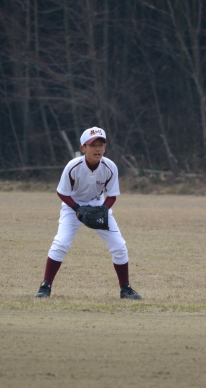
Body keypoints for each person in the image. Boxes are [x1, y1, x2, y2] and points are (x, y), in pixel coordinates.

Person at [34, 126, 142, 300]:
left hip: (98, 204)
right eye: (93, 145)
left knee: (119, 246)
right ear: (83, 148)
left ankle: (126, 289)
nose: (97, 149)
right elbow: (62, 192)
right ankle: (45, 286)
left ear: (105, 147)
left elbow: (112, 195)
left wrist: (104, 209)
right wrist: (77, 209)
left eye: (101, 144)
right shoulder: (73, 166)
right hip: (72, 206)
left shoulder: (110, 167)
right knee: (60, 243)